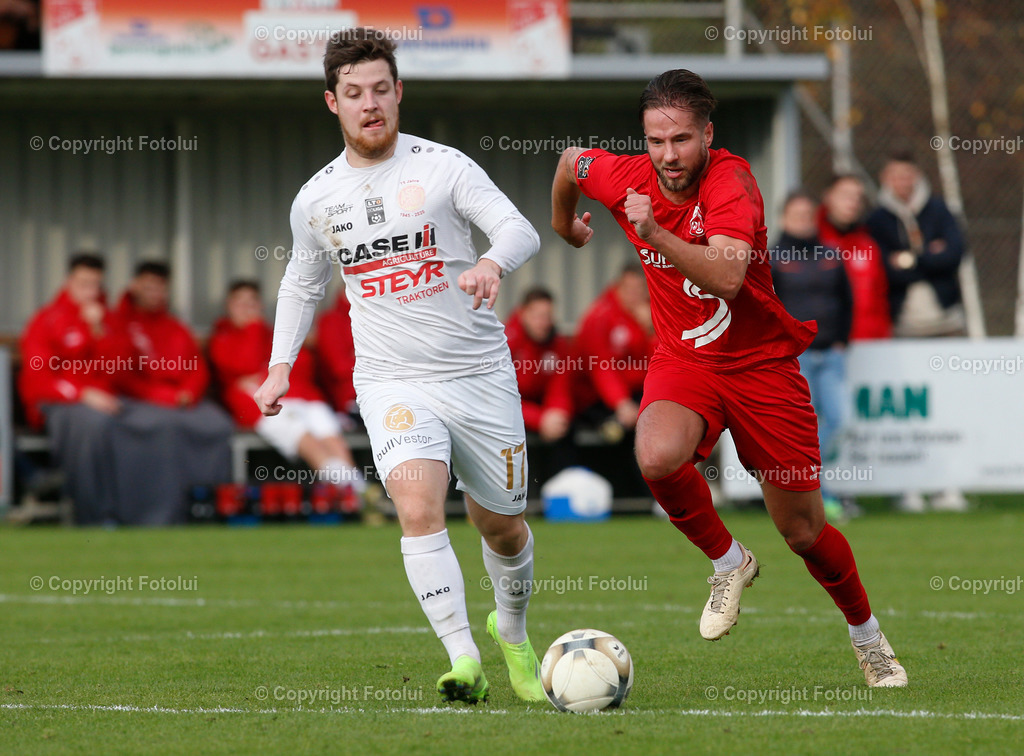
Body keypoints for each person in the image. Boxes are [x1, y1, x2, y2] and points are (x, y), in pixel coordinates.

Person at [551, 68, 906, 687]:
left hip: (763, 367)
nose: (668, 156)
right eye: (655, 141)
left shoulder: (731, 180)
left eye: (682, 140)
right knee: (657, 456)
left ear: (707, 134)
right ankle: (728, 561)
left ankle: (867, 636)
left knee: (803, 532)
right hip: (686, 360)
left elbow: (727, 277)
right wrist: (563, 224)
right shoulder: (628, 176)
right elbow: (570, 162)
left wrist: (654, 231)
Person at [253, 28, 544, 704]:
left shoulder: (444, 167)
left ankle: (513, 630)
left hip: (478, 376)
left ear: (399, 92)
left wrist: (491, 263)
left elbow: (518, 228)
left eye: (381, 89)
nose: (370, 104)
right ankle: (463, 657)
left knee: (501, 524)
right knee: (416, 505)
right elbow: (302, 284)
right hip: (392, 381)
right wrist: (278, 368)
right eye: (354, 93)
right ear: (333, 103)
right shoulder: (316, 199)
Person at [868, 150, 968, 513]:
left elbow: (955, 254)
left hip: (947, 325)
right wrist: (927, 256)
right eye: (896, 176)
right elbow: (885, 268)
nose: (903, 183)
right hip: (903, 329)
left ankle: (950, 486)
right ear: (885, 179)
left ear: (917, 177)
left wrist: (909, 258)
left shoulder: (939, 210)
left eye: (908, 175)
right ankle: (907, 487)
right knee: (911, 414)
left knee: (950, 411)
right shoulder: (877, 219)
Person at [209, 279, 365, 498]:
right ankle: (352, 495)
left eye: (252, 302)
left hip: (303, 397)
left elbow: (302, 363)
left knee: (330, 436)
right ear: (229, 306)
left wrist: (263, 375)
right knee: (307, 439)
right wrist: (254, 330)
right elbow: (246, 365)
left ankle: (358, 491)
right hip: (263, 407)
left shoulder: (273, 333)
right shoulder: (222, 338)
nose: (246, 308)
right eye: (240, 303)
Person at [111, 261, 233, 524]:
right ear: (135, 287)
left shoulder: (175, 327)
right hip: (140, 401)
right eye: (149, 287)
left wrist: (188, 393)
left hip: (183, 401)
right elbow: (122, 375)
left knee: (218, 425)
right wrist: (165, 398)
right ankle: (155, 514)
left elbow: (197, 368)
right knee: (163, 427)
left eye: (160, 288)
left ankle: (209, 509)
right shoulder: (121, 324)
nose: (155, 293)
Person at [770, 191, 856, 522]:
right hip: (796, 357)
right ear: (783, 218)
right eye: (797, 214)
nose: (804, 220)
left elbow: (846, 300)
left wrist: (842, 341)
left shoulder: (831, 255)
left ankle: (813, 487)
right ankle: (817, 494)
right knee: (801, 430)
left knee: (838, 421)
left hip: (831, 354)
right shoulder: (774, 258)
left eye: (809, 214)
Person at [18, 253, 123, 524]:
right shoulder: (47, 320)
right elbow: (38, 377)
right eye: (83, 283)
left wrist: (97, 329)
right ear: (69, 282)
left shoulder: (106, 321)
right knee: (94, 424)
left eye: (95, 284)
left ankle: (144, 514)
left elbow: (115, 371)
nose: (89, 291)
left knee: (145, 422)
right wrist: (82, 394)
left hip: (102, 402)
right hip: (55, 403)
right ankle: (94, 516)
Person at [573, 263, 656, 435]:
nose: (634, 295)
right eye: (629, 289)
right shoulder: (600, 317)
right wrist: (621, 403)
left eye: (639, 289)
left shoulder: (649, 315)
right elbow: (601, 367)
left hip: (637, 394)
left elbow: (657, 361)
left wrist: (652, 330)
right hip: (596, 400)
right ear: (618, 287)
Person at [818, 174, 891, 341]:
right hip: (823, 347)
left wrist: (882, 337)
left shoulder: (868, 245)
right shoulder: (811, 243)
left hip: (866, 342)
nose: (853, 202)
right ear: (828, 197)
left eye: (858, 197)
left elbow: (880, 299)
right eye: (845, 195)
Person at [503, 287, 573, 442]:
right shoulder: (504, 343)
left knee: (565, 428)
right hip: (514, 414)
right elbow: (500, 398)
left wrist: (558, 412)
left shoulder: (558, 343)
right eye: (538, 316)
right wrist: (539, 419)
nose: (544, 323)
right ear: (523, 314)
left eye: (547, 316)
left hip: (546, 414)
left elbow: (560, 385)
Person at [315, 288, 359, 427]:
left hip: (384, 390)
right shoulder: (331, 321)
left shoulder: (380, 319)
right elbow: (339, 368)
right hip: (349, 402)